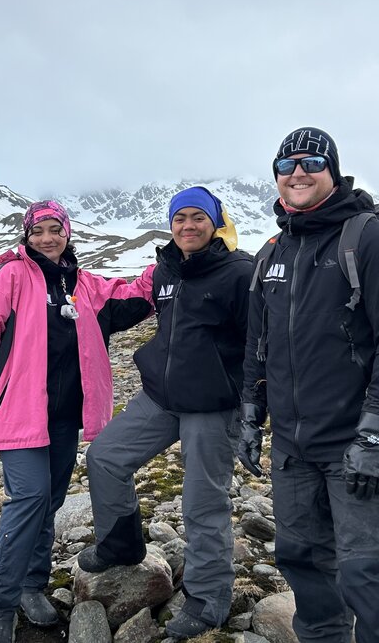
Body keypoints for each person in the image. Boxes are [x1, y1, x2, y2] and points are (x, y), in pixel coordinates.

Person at [239, 127, 379, 642]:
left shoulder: (370, 238)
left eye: (310, 163)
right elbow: (258, 342)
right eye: (286, 165)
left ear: (333, 170)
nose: (297, 172)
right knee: (302, 562)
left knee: (368, 572)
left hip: (356, 443)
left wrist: (376, 432)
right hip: (293, 447)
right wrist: (251, 414)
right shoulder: (272, 252)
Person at [0, 200, 153, 643]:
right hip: (19, 414)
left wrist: (169, 264)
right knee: (29, 499)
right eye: (38, 231)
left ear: (68, 232)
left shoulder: (83, 284)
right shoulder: (9, 277)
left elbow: (131, 297)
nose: (47, 238)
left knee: (50, 499)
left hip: (61, 417)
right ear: (26, 235)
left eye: (55, 229)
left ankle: (33, 585)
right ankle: (1, 605)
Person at [77, 186, 252, 641]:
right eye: (179, 219)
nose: (187, 226)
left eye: (197, 218)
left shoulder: (239, 273)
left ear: (216, 223)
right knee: (105, 457)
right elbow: (116, 309)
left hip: (213, 406)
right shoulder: (165, 271)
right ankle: (121, 546)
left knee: (201, 503)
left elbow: (262, 347)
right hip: (161, 397)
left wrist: (256, 408)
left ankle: (208, 601)